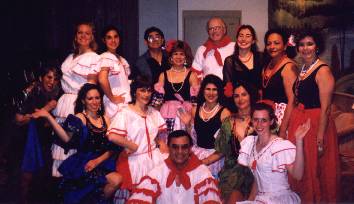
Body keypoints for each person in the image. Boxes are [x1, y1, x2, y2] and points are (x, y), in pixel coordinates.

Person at [32, 83, 122, 203]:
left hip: (102, 162)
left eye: (97, 98)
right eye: (90, 98)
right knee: (115, 180)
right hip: (84, 163)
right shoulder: (79, 118)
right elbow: (66, 138)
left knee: (116, 181)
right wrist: (49, 117)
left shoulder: (105, 119)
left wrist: (97, 161)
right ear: (83, 101)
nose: (94, 102)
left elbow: (112, 148)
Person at [287, 30, 339, 203]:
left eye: (310, 44)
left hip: (316, 124)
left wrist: (320, 138)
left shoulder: (322, 70)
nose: (305, 48)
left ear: (317, 46)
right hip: (302, 123)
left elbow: (325, 109)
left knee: (315, 170)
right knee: (304, 169)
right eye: (301, 44)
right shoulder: (303, 68)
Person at [106, 76, 168, 203]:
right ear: (135, 92)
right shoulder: (125, 112)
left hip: (155, 160)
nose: (146, 94)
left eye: (149, 91)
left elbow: (157, 134)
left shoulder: (153, 113)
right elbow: (112, 136)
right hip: (136, 162)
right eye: (142, 90)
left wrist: (161, 143)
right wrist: (130, 145)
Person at [52, 22, 101, 177]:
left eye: (87, 33)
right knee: (61, 139)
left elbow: (91, 84)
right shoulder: (70, 56)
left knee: (73, 142)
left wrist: (84, 105)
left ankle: (71, 181)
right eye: (80, 33)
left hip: (77, 102)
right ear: (75, 35)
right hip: (64, 102)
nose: (83, 36)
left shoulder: (93, 57)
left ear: (92, 36)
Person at [237, 102, 310, 204]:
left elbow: (298, 175)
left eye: (264, 120)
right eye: (256, 120)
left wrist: (299, 141)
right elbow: (258, 181)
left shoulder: (279, 146)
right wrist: (250, 200)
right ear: (251, 121)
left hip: (279, 199)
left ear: (271, 121)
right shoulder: (250, 143)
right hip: (260, 199)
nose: (259, 124)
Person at [127, 130, 221, 203]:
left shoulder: (202, 172)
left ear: (190, 149)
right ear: (168, 148)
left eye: (184, 147)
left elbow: (210, 200)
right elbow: (140, 198)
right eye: (175, 147)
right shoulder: (158, 171)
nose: (180, 152)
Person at [202, 81, 257, 203]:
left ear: (251, 96)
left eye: (244, 94)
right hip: (231, 174)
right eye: (236, 96)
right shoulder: (228, 122)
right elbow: (221, 151)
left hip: (255, 174)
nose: (240, 99)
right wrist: (203, 162)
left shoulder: (260, 119)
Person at [14, 66, 62, 203]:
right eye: (49, 77)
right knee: (26, 178)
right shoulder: (30, 91)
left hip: (46, 139)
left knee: (43, 178)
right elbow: (18, 120)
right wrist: (45, 109)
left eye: (56, 79)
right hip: (27, 138)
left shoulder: (58, 93)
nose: (52, 82)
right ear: (41, 78)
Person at [186, 75, 231, 177]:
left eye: (214, 90)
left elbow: (225, 147)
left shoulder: (225, 113)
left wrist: (204, 162)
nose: (211, 93)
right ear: (203, 91)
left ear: (219, 92)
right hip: (196, 154)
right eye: (208, 89)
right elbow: (192, 139)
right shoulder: (194, 110)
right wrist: (188, 124)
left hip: (215, 159)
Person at [153, 40, 199, 134]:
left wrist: (190, 119)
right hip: (166, 114)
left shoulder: (192, 75)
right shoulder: (163, 75)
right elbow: (158, 102)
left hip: (186, 115)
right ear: (171, 57)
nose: (178, 57)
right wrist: (155, 121)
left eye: (181, 54)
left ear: (185, 57)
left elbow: (196, 103)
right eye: (175, 54)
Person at [261, 29, 297, 137]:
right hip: (268, 117)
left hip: (283, 118)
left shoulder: (289, 67)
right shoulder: (266, 65)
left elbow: (292, 100)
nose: (272, 47)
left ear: (285, 46)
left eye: (276, 43)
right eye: (269, 43)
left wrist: (283, 128)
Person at [98, 25, 131, 119]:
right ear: (104, 40)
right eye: (109, 37)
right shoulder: (105, 57)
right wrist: (112, 97)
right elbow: (102, 80)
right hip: (114, 104)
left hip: (125, 101)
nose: (113, 40)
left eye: (115, 36)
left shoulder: (122, 60)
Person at [223, 25, 263, 96]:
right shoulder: (230, 61)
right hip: (238, 102)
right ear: (237, 39)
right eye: (241, 36)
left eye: (248, 36)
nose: (243, 39)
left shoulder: (261, 57)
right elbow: (228, 88)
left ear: (253, 40)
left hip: (258, 102)